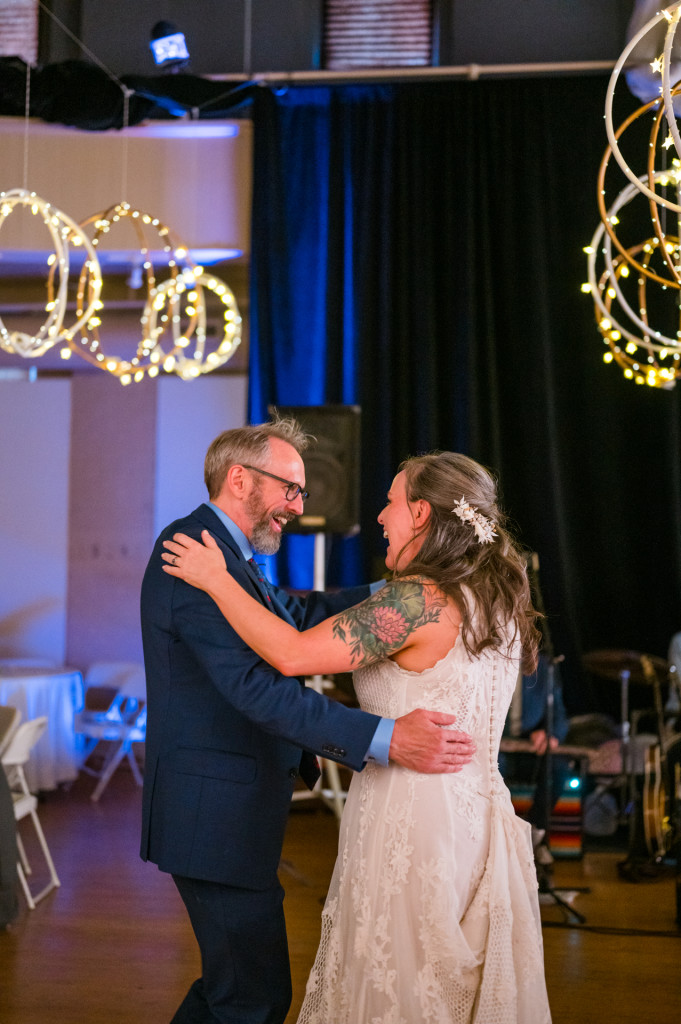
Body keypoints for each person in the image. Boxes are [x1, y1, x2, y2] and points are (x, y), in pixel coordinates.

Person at [163, 449, 553, 1024]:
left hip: (413, 817)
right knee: (446, 986)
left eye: (391, 502)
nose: (379, 517)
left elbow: (293, 655)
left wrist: (219, 582)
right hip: (476, 816)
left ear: (421, 513)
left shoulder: (417, 599)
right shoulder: (494, 597)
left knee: (399, 982)